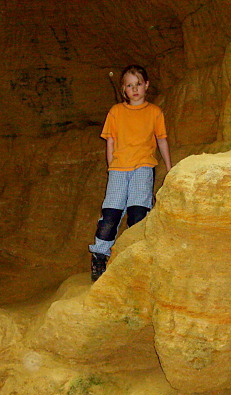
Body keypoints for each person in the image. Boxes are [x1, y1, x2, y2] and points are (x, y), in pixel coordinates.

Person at [89, 64, 172, 282]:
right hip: (119, 168)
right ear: (124, 89)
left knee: (138, 212)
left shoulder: (154, 112)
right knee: (111, 214)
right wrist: (111, 166)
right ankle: (99, 256)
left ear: (146, 85)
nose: (134, 89)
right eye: (129, 86)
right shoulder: (116, 112)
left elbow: (161, 139)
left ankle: (135, 257)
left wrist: (169, 167)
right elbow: (111, 140)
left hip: (143, 167)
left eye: (138, 84)